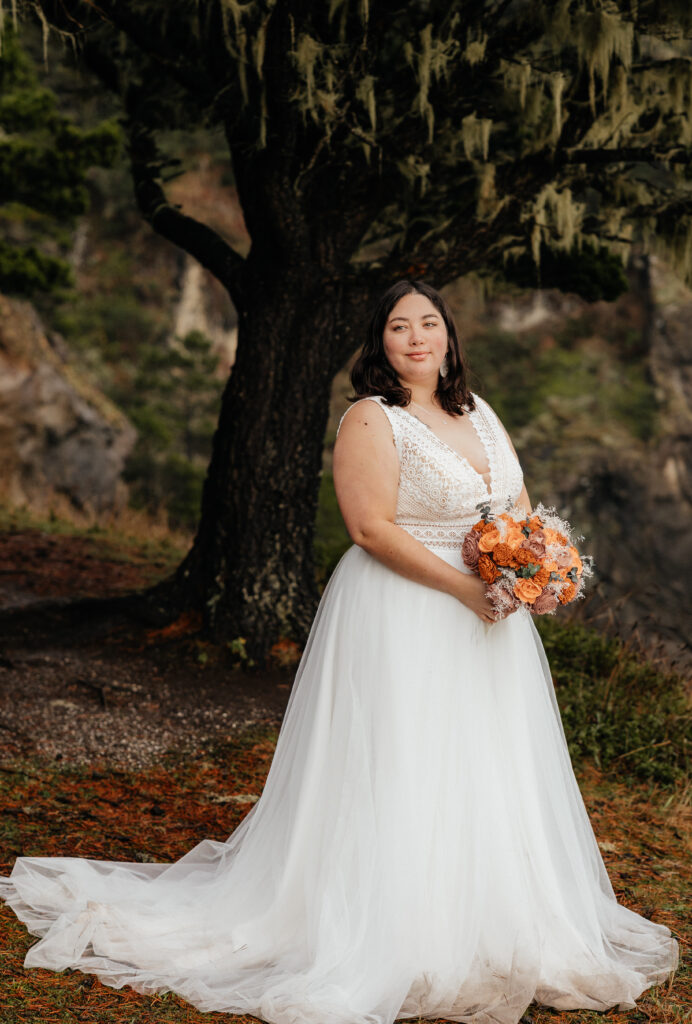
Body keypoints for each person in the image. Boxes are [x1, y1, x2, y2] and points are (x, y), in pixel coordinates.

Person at [0, 280, 678, 1024]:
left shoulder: (479, 413)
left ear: (449, 336)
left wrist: (536, 572)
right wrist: (463, 587)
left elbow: (515, 508)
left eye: (429, 324)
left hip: (490, 617)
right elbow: (370, 529)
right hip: (407, 611)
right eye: (398, 327)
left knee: (484, 764)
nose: (417, 338)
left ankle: (493, 923)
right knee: (403, 762)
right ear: (378, 343)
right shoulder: (370, 418)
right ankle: (400, 934)